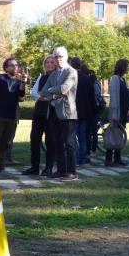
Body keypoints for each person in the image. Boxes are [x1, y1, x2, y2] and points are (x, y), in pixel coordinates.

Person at [40, 46, 79, 181]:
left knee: (69, 144)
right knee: (57, 143)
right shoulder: (54, 74)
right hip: (55, 113)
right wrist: (54, 94)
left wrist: (52, 91)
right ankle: (62, 170)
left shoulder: (72, 72)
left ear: (66, 57)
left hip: (68, 114)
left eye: (60, 56)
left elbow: (64, 89)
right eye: (56, 56)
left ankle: (72, 172)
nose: (58, 59)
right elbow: (43, 92)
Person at [0, 57, 27, 173]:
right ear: (6, 67)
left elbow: (21, 93)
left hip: (12, 116)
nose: (14, 67)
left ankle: (0, 166)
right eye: (11, 65)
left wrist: (24, 82)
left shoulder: (19, 80)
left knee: (5, 143)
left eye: (16, 65)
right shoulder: (0, 78)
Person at [23, 55, 56, 176]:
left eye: (52, 62)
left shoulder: (57, 77)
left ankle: (48, 167)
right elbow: (34, 92)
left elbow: (55, 94)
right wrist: (42, 96)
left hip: (50, 112)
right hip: (39, 111)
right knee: (35, 139)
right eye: (47, 62)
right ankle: (34, 167)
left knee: (50, 140)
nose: (49, 64)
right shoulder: (41, 77)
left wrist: (45, 96)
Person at [70, 57, 95, 165]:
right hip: (84, 112)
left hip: (73, 111)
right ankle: (83, 157)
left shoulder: (70, 78)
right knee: (82, 136)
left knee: (72, 136)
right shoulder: (86, 78)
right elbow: (91, 96)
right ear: (80, 65)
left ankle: (75, 157)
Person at [105, 58, 129, 167]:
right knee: (113, 134)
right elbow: (114, 97)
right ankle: (109, 159)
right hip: (117, 112)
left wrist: (128, 109)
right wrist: (114, 114)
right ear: (122, 67)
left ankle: (117, 158)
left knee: (119, 135)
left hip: (123, 112)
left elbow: (126, 96)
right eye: (127, 66)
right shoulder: (115, 79)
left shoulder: (122, 79)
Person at [89, 69, 104, 154]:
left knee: (92, 130)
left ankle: (93, 147)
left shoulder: (92, 85)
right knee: (94, 130)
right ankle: (93, 148)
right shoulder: (98, 83)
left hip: (93, 108)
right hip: (97, 108)